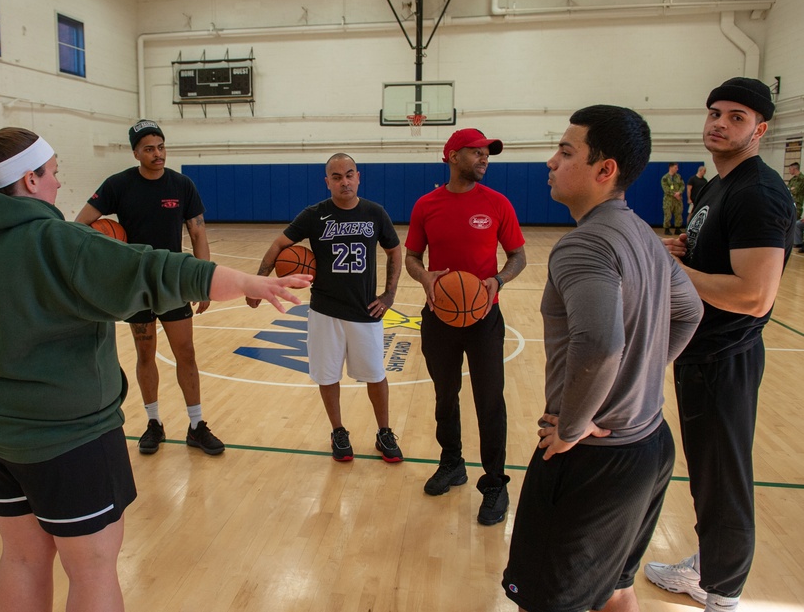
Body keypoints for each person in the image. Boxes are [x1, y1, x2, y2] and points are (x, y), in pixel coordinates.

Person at [0, 126, 308, 612]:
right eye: (52, 175)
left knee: (23, 559)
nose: (56, 185)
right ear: (30, 180)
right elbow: (154, 270)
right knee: (91, 569)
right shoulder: (56, 240)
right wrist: (247, 283)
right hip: (67, 437)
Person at [501, 105, 703, 612]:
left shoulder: (583, 245)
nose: (551, 161)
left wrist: (573, 425)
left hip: (593, 461)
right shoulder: (645, 237)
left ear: (604, 169)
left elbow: (601, 345)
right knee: (615, 590)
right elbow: (690, 312)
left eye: (566, 152)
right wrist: (638, 380)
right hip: (650, 446)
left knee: (549, 601)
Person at [645, 77, 795, 612]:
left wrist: (672, 267)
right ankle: (712, 566)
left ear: (760, 129)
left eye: (736, 117)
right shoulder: (717, 185)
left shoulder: (758, 191)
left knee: (722, 475)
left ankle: (723, 590)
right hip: (702, 351)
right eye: (715, 112)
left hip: (726, 356)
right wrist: (683, 248)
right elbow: (714, 254)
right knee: (708, 470)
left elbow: (754, 295)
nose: (720, 123)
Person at [75, 120, 223, 456]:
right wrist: (108, 253)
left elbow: (198, 234)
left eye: (160, 146)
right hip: (135, 284)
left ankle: (197, 425)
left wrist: (203, 281)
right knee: (145, 354)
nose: (157, 154)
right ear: (135, 152)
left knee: (186, 354)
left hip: (171, 281)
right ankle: (154, 422)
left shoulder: (181, 185)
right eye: (148, 149)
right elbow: (80, 226)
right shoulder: (118, 185)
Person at [404, 128, 527, 525]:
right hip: (440, 316)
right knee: (445, 395)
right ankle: (452, 463)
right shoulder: (427, 204)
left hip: (484, 317)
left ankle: (494, 483)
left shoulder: (497, 203)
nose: (484, 158)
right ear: (453, 156)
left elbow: (518, 256)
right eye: (477, 152)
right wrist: (425, 278)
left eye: (487, 153)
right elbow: (411, 257)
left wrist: (499, 280)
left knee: (490, 401)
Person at [247, 153, 404, 462]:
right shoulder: (314, 215)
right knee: (328, 375)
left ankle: (384, 431)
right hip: (325, 311)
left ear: (359, 176)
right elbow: (279, 245)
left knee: (376, 374)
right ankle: (338, 431)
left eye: (349, 174)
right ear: (327, 181)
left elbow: (395, 251)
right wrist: (259, 281)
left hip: (365, 311)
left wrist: (389, 295)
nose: (344, 181)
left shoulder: (375, 213)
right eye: (336, 176)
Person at [662, 161, 685, 234]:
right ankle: (667, 229)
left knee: (678, 214)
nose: (677, 169)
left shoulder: (678, 176)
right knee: (668, 214)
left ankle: (677, 229)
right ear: (670, 168)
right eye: (675, 167)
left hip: (678, 200)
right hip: (669, 200)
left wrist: (679, 192)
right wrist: (675, 194)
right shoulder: (665, 178)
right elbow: (666, 189)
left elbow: (682, 185)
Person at [785, 162, 804, 250]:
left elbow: (795, 191)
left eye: (790, 169)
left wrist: (792, 190)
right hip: (790, 204)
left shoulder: (802, 179)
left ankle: (796, 242)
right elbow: (788, 190)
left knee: (795, 223)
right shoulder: (792, 180)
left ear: (794, 168)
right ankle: (791, 241)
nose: (789, 171)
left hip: (798, 205)